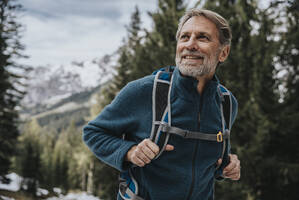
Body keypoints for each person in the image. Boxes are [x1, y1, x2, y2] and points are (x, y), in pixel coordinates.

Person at [83, 8, 240, 200]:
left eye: (202, 38)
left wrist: (227, 166)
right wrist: (130, 152)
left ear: (223, 53)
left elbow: (206, 164)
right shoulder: (144, 91)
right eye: (184, 37)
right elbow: (93, 132)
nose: (190, 45)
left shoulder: (226, 103)